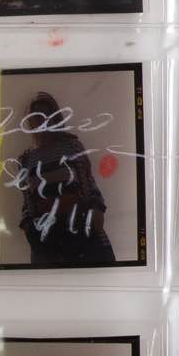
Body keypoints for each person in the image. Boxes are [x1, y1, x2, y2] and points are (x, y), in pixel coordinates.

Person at [14, 90, 117, 266]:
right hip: (48, 244)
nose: (42, 120)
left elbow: (90, 188)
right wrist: (30, 231)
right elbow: (28, 204)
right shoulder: (26, 160)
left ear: (55, 117)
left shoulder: (72, 148)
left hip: (83, 236)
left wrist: (95, 217)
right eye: (36, 116)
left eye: (46, 114)